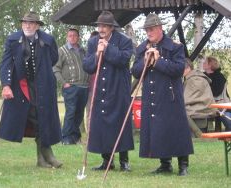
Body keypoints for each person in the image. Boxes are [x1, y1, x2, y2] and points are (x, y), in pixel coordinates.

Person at [131, 13, 194, 176]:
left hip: (171, 96)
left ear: (160, 29)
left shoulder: (175, 46)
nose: (148, 33)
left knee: (177, 129)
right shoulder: (142, 48)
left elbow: (179, 69)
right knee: (158, 130)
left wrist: (158, 62)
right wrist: (145, 61)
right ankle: (165, 164)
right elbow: (135, 72)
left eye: (151, 29)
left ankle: (183, 165)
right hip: (152, 96)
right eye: (146, 30)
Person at [0, 12, 62, 168]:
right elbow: (5, 63)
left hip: (44, 85)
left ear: (37, 25)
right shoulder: (13, 40)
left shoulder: (48, 40)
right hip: (22, 86)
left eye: (31, 23)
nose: (27, 25)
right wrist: (6, 85)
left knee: (43, 117)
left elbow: (53, 59)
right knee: (34, 117)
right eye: (25, 22)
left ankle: (43, 158)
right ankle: (46, 154)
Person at [83, 11, 134, 172]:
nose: (101, 29)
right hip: (100, 90)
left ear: (112, 27)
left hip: (118, 89)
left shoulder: (124, 41)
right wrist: (98, 53)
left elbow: (123, 60)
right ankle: (107, 161)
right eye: (99, 26)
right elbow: (88, 66)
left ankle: (124, 161)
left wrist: (108, 48)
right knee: (103, 125)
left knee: (121, 124)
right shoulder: (92, 42)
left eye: (105, 26)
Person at [53, 28, 89, 145]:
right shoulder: (61, 51)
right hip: (71, 87)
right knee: (71, 112)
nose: (72, 37)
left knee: (79, 113)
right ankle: (65, 138)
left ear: (78, 37)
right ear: (67, 37)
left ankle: (75, 137)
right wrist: (64, 83)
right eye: (70, 35)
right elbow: (55, 68)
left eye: (74, 35)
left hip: (84, 86)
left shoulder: (83, 51)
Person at [183, 58, 217, 137]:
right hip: (199, 112)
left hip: (198, 113)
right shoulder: (194, 78)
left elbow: (187, 100)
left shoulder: (195, 79)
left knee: (179, 110)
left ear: (188, 68)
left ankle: (199, 135)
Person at [203, 56, 231, 131]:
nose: (203, 63)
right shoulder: (203, 76)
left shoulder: (219, 77)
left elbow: (216, 92)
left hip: (222, 106)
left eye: (205, 62)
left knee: (229, 125)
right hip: (206, 105)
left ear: (210, 65)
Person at [85, 31, 99, 131]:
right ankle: (90, 132)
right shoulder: (89, 55)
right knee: (90, 110)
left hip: (103, 86)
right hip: (91, 87)